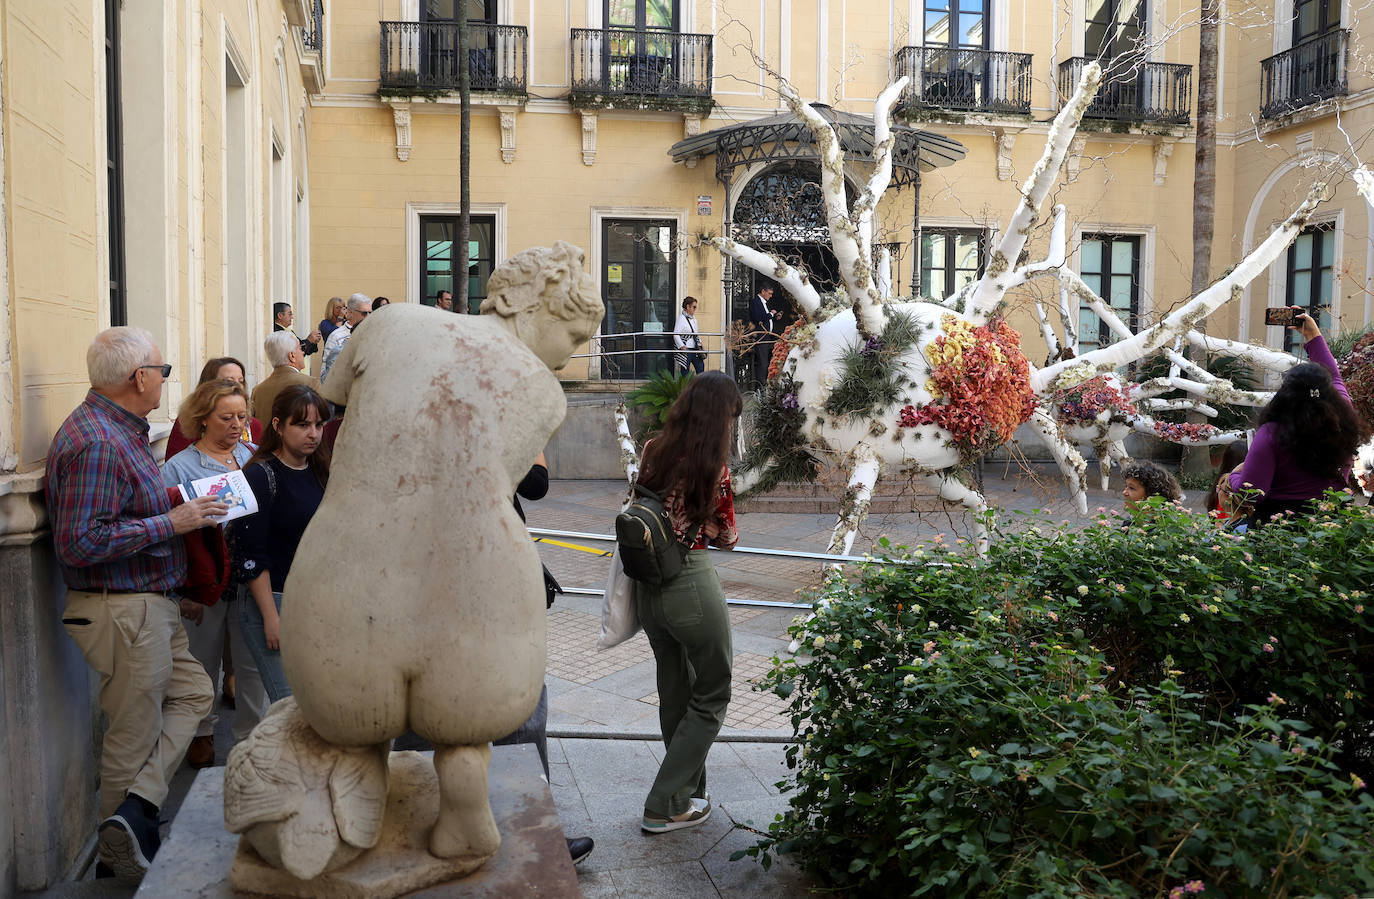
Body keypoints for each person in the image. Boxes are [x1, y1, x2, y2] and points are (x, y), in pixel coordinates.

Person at [47, 326, 220, 882]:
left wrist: (185, 500)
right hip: (125, 607)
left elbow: (125, 508)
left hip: (147, 605)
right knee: (131, 732)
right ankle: (116, 867)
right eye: (163, 372)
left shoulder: (119, 429)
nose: (166, 381)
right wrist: (171, 521)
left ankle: (135, 810)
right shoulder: (99, 438)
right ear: (137, 378)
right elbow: (80, 541)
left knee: (195, 693)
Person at [634, 370, 742, 833]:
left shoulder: (652, 450)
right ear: (721, 418)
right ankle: (663, 803)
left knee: (675, 690)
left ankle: (687, 795)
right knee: (713, 690)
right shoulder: (713, 468)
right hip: (690, 582)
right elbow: (729, 537)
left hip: (648, 585)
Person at [160, 379, 262, 768]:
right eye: (226, 417)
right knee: (201, 663)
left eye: (241, 416)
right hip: (203, 583)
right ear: (202, 419)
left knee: (251, 664)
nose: (236, 424)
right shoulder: (179, 467)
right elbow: (168, 534)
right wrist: (181, 592)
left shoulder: (252, 455)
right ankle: (200, 733)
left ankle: (253, 744)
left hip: (250, 578)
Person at [230, 385, 332, 701]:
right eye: (302, 425)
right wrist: (272, 619)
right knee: (290, 706)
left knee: (316, 703)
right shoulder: (260, 476)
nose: (312, 433)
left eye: (318, 425)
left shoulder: (321, 470)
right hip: (272, 600)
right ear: (278, 426)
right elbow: (250, 554)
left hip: (313, 601)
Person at [1228, 310, 1366, 525]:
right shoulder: (1344, 417)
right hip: (1335, 527)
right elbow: (1335, 376)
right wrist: (1313, 335)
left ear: (1286, 393)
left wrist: (1232, 477)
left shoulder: (1272, 433)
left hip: (1280, 533)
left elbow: (1253, 492)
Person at [164, 357, 263, 458]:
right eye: (228, 381)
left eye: (241, 381)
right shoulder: (187, 423)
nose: (237, 386)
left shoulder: (254, 426)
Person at [252, 330, 318, 423]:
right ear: (292, 355)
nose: (303, 352)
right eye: (300, 348)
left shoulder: (257, 391)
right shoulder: (310, 383)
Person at [319, 293, 371, 382]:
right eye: (364, 313)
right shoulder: (336, 336)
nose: (368, 316)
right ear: (350, 312)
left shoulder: (374, 333)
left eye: (370, 312)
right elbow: (325, 375)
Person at [749, 282, 782, 386]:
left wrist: (775, 317)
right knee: (762, 363)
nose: (770, 296)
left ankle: (766, 384)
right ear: (763, 291)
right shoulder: (756, 302)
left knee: (768, 362)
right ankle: (761, 387)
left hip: (768, 336)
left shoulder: (765, 302)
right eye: (769, 293)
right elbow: (758, 318)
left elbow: (766, 319)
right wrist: (771, 314)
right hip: (761, 337)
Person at [673, 296, 705, 375]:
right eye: (694, 307)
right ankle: (686, 387)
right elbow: (675, 334)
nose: (695, 309)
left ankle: (700, 386)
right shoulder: (681, 318)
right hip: (686, 349)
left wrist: (701, 345)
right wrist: (681, 346)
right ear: (687, 306)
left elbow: (695, 334)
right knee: (685, 372)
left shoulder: (694, 319)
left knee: (700, 368)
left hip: (695, 349)